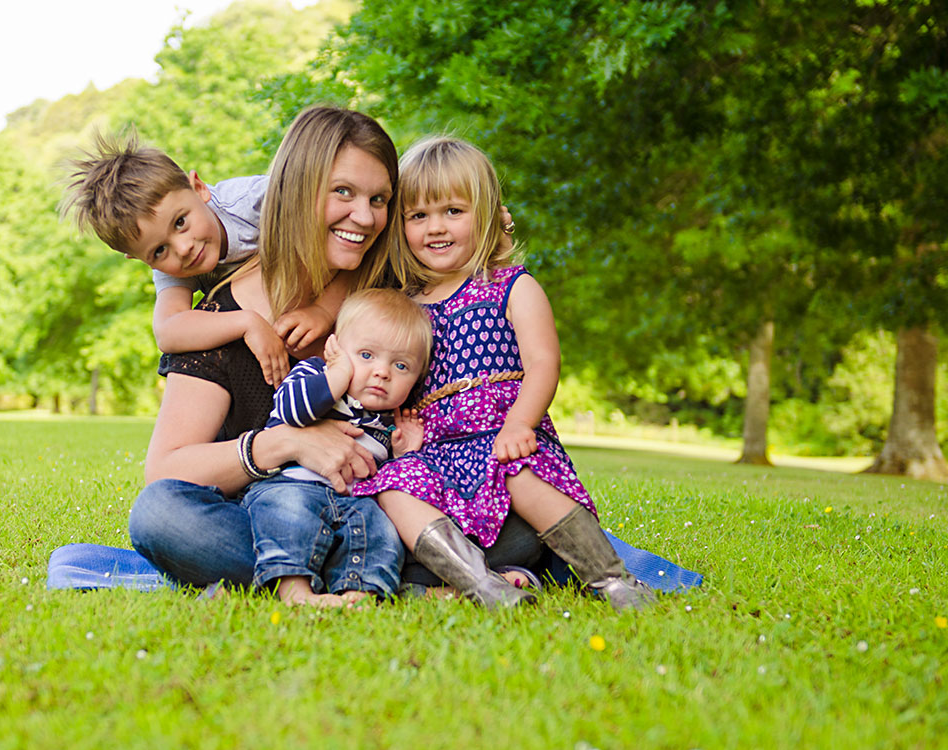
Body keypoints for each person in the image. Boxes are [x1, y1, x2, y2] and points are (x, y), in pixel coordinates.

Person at [353, 136, 656, 611]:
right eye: (418, 216)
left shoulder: (510, 286)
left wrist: (520, 422)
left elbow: (543, 363)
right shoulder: (404, 305)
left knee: (514, 472)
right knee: (393, 488)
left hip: (502, 439)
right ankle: (483, 585)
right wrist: (403, 434)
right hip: (437, 457)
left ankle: (612, 580)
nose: (436, 227)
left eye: (453, 211)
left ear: (491, 215)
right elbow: (392, 380)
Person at [125, 106, 403, 589]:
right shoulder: (218, 319)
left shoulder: (390, 299)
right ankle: (345, 572)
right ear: (297, 188)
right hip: (274, 516)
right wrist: (288, 442)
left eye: (379, 199)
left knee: (513, 523)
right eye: (342, 192)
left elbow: (457, 229)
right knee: (160, 516)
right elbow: (166, 470)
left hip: (380, 512)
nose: (365, 216)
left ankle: (325, 571)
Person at [61, 136, 342, 386]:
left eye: (180, 222)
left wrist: (323, 310)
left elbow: (355, 243)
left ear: (198, 188)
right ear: (139, 259)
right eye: (159, 251)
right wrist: (247, 323)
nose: (182, 248)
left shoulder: (258, 202)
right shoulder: (171, 266)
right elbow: (168, 331)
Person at [243, 289, 431, 607]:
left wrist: (405, 454)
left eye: (400, 366)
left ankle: (359, 593)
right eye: (367, 356)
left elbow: (386, 483)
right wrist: (339, 373)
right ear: (337, 348)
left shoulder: (389, 423)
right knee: (286, 516)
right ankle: (296, 593)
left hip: (352, 503)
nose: (382, 372)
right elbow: (290, 412)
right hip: (292, 485)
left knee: (381, 529)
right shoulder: (313, 373)